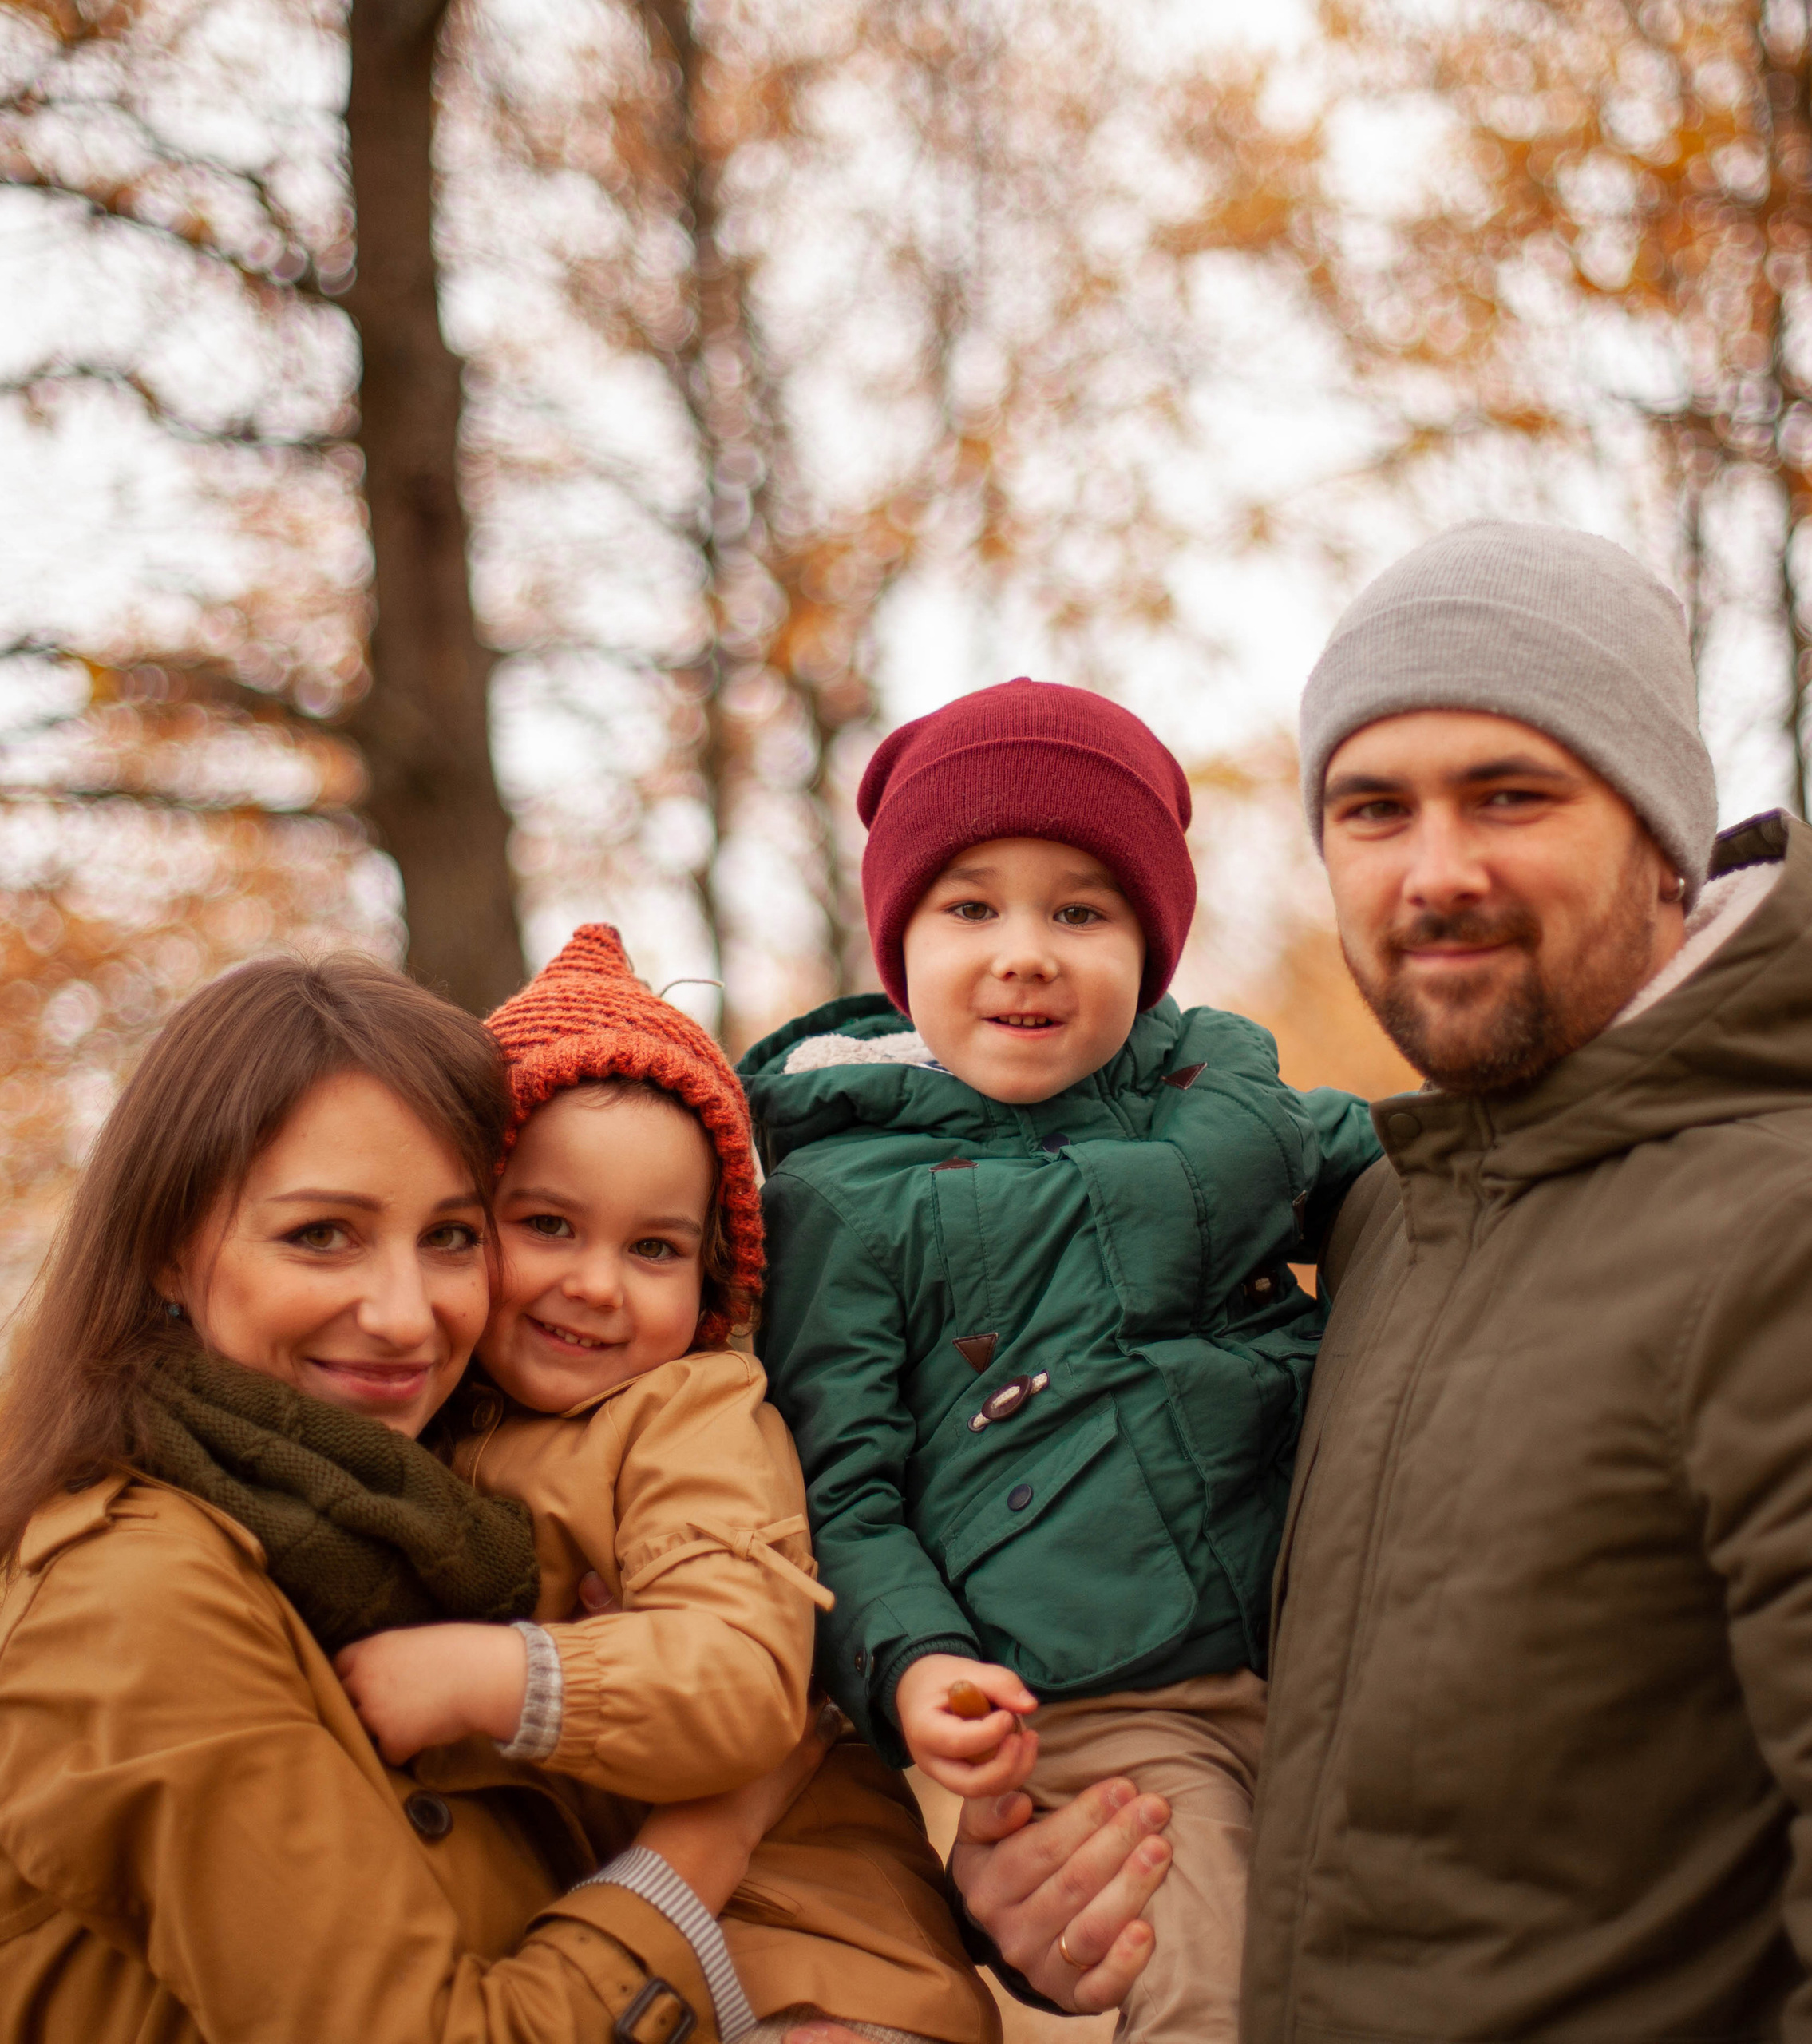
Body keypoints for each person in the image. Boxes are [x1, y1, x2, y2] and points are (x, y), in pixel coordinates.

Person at [1235, 521, 1812, 2036]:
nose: (1436, 873)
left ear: (1667, 835)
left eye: (1512, 795)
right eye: (1372, 810)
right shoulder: (1399, 1226)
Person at [0, 952, 873, 2042]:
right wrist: (708, 1839)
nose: (407, 1317)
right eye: (323, 1234)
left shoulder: (425, 1527)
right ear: (169, 1250)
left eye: (452, 1237)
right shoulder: (133, 1600)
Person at [738, 679, 1382, 2042]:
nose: (1025, 951)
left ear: (1149, 947)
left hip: (1327, 1644)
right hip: (1106, 1704)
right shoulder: (846, 1199)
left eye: (1079, 911)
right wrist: (919, 1668)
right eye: (971, 908)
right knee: (1207, 1981)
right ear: (898, 942)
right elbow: (843, 1497)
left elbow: (1418, 1166)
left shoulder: (1227, 1104)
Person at [338, 924, 998, 2044]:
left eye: (654, 1249)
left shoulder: (692, 1417)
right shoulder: (430, 1426)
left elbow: (743, 1679)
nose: (596, 1285)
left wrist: (493, 1673)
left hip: (819, 1952)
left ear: (709, 1281)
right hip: (632, 1951)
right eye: (548, 1225)